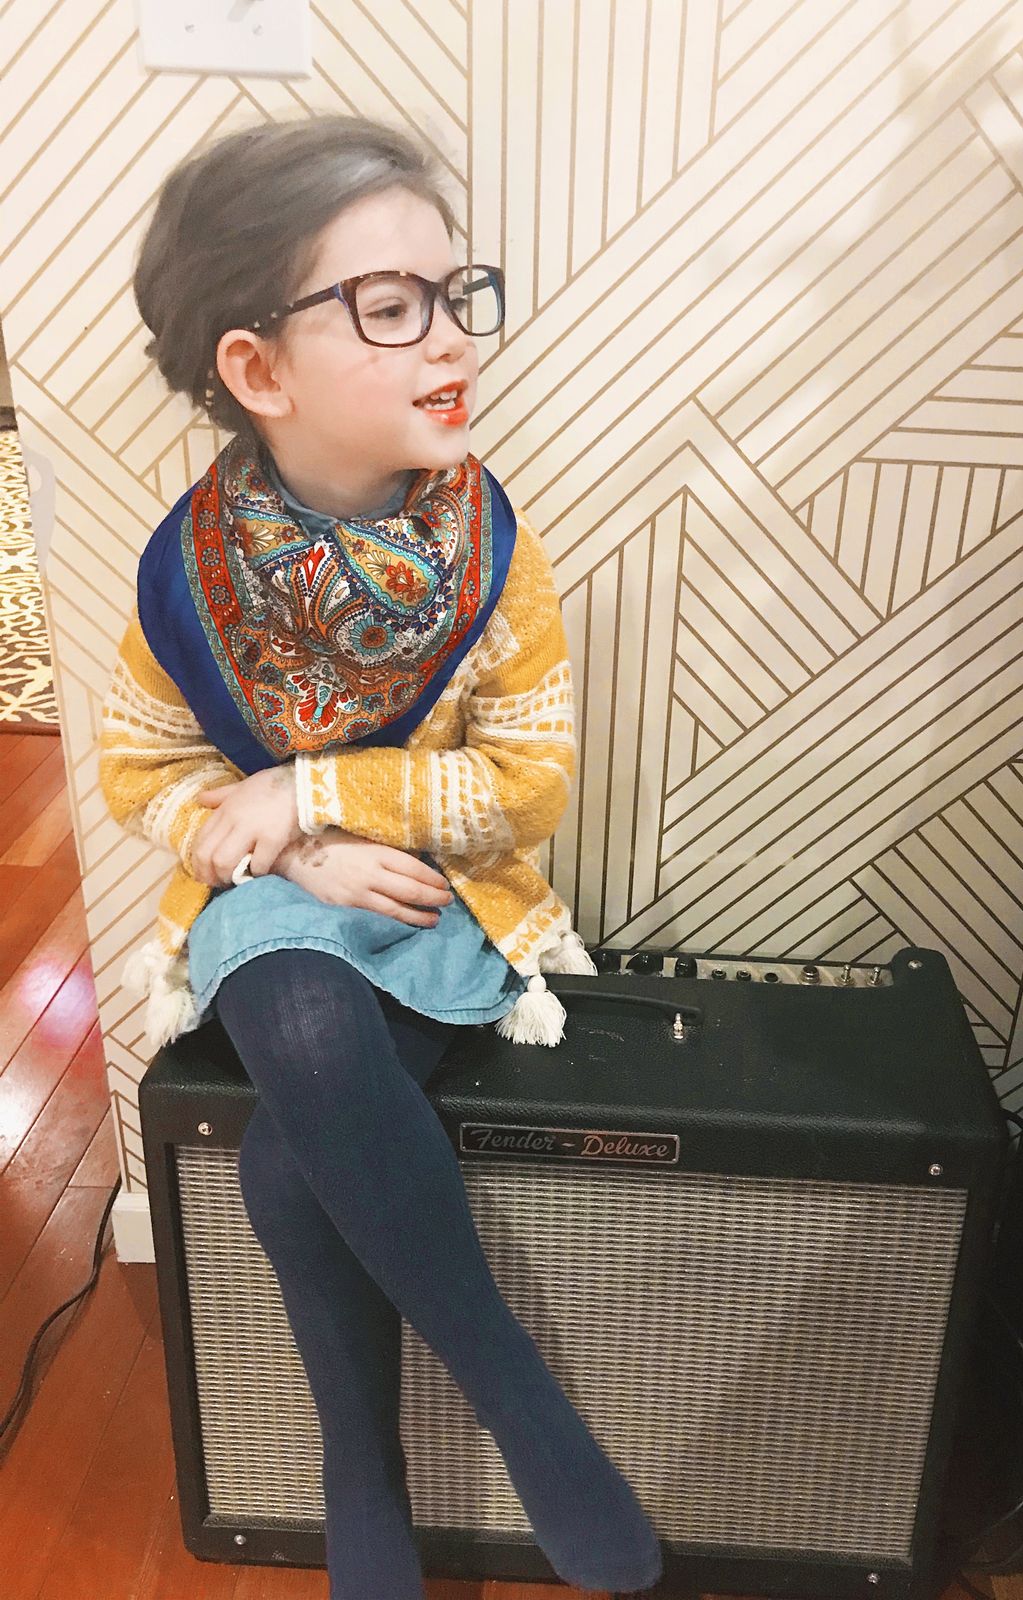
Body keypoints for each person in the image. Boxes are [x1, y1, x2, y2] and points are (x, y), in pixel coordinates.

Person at [97, 113, 663, 1600]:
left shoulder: (491, 553)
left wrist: (314, 789)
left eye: (454, 293)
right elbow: (140, 773)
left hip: (436, 904)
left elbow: (526, 788)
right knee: (292, 1008)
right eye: (392, 306)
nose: (451, 339)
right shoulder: (187, 574)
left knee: (291, 1165)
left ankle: (367, 1467)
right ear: (259, 370)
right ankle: (515, 1394)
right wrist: (287, 851)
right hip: (272, 912)